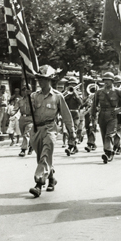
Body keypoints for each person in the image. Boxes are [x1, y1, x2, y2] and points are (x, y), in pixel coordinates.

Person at [28, 65, 74, 198]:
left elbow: (66, 115)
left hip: (50, 129)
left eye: (43, 79)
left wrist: (71, 132)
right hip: (36, 130)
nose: (40, 82)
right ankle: (52, 178)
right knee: (42, 157)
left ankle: (38, 184)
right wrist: (26, 99)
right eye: (39, 79)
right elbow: (26, 111)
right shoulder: (33, 96)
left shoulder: (58, 97)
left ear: (50, 80)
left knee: (45, 155)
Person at [91, 72, 121, 164]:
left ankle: (109, 152)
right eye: (105, 80)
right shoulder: (99, 92)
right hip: (102, 115)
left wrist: (120, 109)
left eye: (108, 80)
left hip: (112, 115)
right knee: (104, 134)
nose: (106, 82)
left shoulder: (117, 91)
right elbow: (94, 104)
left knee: (109, 134)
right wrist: (93, 116)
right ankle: (108, 152)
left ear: (112, 81)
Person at [63, 78, 83, 155]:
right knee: (68, 131)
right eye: (71, 84)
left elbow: (81, 103)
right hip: (67, 113)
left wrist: (75, 93)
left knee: (73, 129)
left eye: (74, 84)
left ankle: (70, 146)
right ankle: (74, 147)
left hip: (75, 113)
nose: (72, 85)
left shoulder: (79, 93)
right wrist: (66, 93)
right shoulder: (66, 93)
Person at [17, 85, 34, 157]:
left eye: (26, 90)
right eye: (23, 90)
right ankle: (31, 146)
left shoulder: (33, 100)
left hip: (30, 118)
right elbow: (15, 108)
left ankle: (23, 150)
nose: (24, 91)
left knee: (26, 134)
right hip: (22, 118)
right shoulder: (19, 100)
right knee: (24, 134)